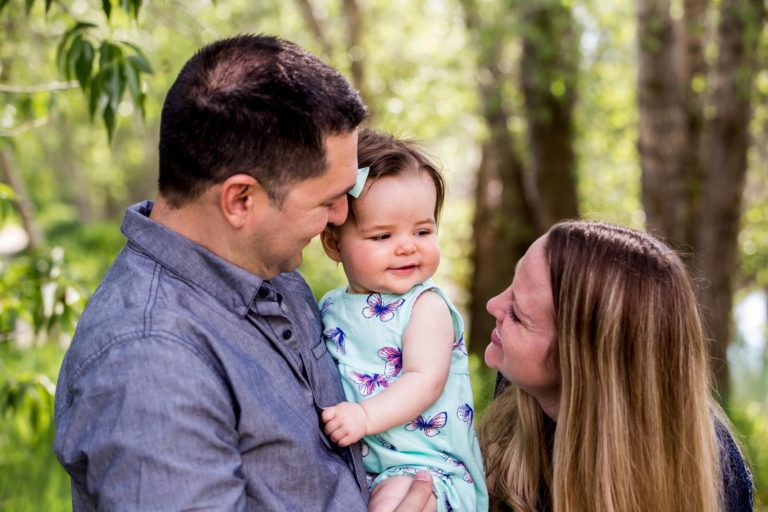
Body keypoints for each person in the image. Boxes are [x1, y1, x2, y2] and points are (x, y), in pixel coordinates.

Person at [53, 34, 433, 511]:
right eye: (326, 199)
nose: (342, 215)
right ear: (241, 200)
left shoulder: (266, 265)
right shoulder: (150, 365)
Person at [480, 220, 754, 512]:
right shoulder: (516, 399)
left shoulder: (717, 475)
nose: (493, 304)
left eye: (519, 315)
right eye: (512, 283)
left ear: (579, 363)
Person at [318, 129, 489, 512]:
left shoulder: (425, 306)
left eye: (423, 231)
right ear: (333, 244)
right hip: (364, 466)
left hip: (426, 468)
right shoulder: (329, 306)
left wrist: (363, 417)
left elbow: (424, 381)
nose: (407, 246)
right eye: (382, 236)